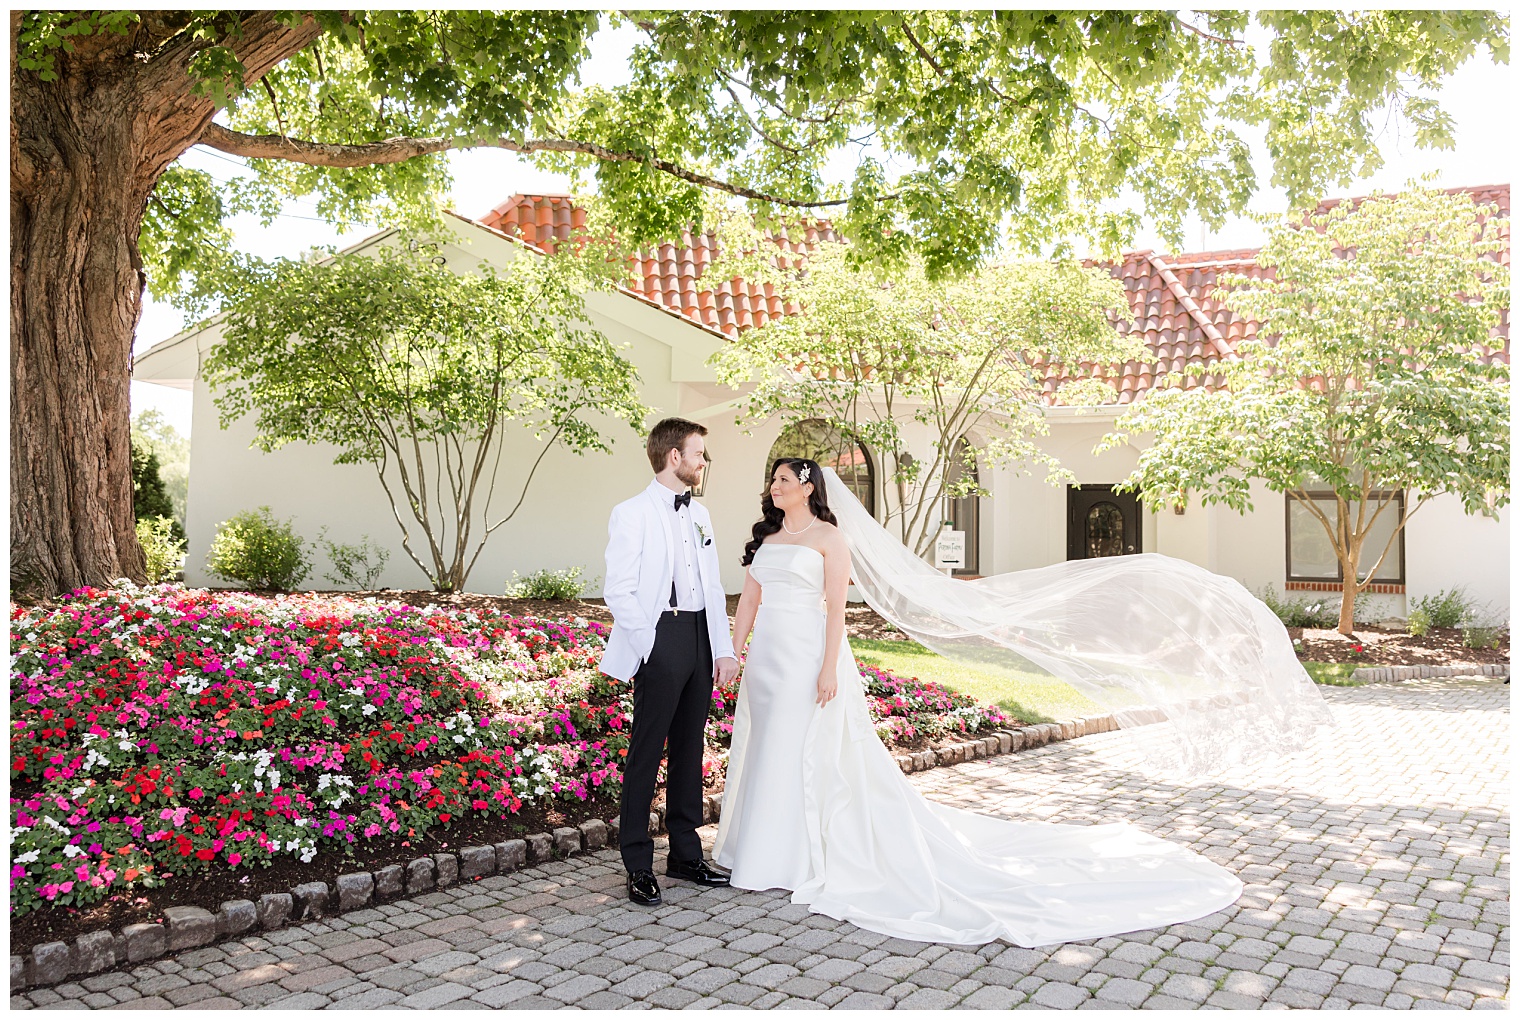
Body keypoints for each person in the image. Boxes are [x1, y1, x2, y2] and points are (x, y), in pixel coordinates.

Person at [712, 457, 1247, 947]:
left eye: (784, 479)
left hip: (810, 658)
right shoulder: (766, 540)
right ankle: (761, 849)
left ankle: (800, 854)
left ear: (807, 486)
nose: (775, 486)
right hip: (768, 664)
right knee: (765, 746)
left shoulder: (830, 538)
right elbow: (751, 601)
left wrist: (829, 668)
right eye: (774, 480)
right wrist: (732, 654)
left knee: (805, 749)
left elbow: (835, 611)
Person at [601, 418, 740, 906]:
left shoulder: (700, 514)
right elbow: (617, 589)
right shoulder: (631, 513)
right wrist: (649, 643)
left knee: (689, 747)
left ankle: (685, 853)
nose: (704, 462)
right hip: (659, 634)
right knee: (646, 750)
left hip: (700, 634)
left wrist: (722, 648)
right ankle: (637, 862)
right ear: (674, 456)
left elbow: (713, 584)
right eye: (699, 453)